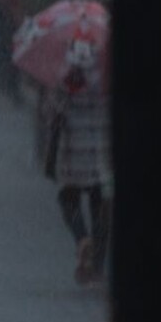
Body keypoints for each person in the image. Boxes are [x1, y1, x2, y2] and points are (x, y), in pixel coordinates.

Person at [43, 33, 111, 284]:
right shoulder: (106, 71)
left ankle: (82, 238)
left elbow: (52, 114)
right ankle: (97, 267)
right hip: (102, 150)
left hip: (73, 151)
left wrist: (63, 95)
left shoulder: (66, 74)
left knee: (67, 197)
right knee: (99, 206)